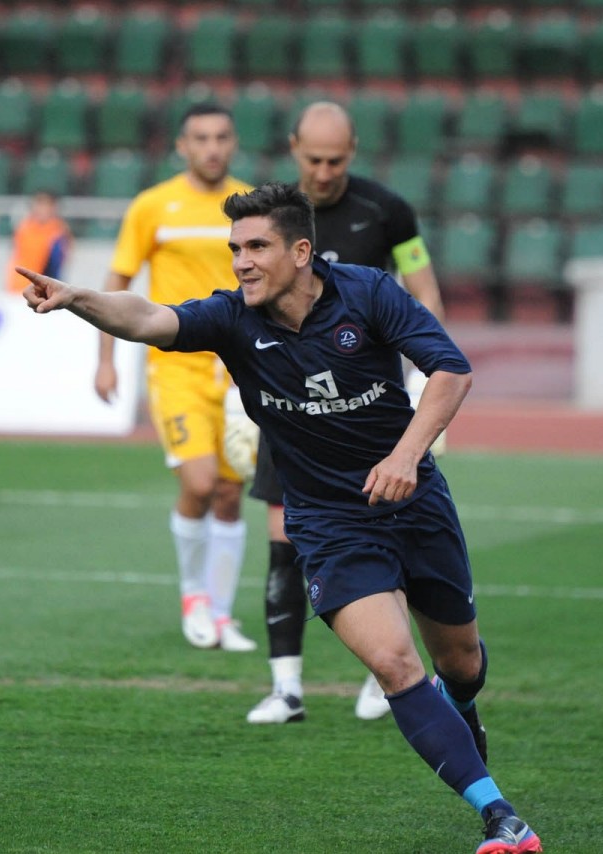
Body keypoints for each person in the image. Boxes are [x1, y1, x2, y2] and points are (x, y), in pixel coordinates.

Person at [18, 182, 544, 854]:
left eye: (257, 247)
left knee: (461, 663)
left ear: (300, 251)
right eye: (235, 248)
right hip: (327, 522)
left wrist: (406, 455)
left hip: (414, 504)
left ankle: (462, 709)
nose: (241, 261)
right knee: (393, 662)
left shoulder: (369, 293)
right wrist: (77, 299)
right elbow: (148, 318)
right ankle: (501, 817)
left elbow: (451, 371)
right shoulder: (232, 317)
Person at [246, 100, 448, 725]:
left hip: (366, 410)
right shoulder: (271, 217)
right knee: (283, 543)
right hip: (286, 405)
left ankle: (385, 675)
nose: (325, 171)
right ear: (293, 148)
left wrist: (425, 376)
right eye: (314, 159)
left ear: (353, 151)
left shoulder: (387, 210)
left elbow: (423, 287)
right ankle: (286, 689)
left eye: (336, 160)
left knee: (386, 538)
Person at [94, 102, 256, 653]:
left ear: (233, 143)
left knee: (231, 493)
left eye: (221, 137)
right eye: (200, 138)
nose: (212, 148)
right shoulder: (152, 206)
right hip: (176, 364)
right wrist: (106, 358)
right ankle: (194, 596)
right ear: (182, 146)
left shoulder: (251, 205)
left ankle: (223, 612)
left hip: (240, 368)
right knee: (200, 483)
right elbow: (118, 280)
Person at [5, 189, 72, 294]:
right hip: (19, 286)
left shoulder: (58, 231)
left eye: (47, 205)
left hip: (41, 288)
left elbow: (57, 264)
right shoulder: (24, 228)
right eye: (39, 204)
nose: (42, 209)